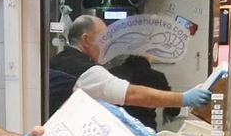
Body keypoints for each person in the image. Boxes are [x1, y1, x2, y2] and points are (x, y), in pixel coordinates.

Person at [47, 12, 213, 116]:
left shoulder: (53, 62)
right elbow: (132, 95)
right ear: (86, 40)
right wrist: (184, 98)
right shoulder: (86, 72)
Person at [108, 52, 178, 129]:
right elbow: (173, 111)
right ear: (150, 56)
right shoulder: (157, 77)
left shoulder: (111, 73)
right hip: (146, 129)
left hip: (117, 127)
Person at [49, 14, 100, 109]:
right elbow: (130, 94)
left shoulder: (53, 61)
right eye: (104, 39)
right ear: (86, 40)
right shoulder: (88, 71)